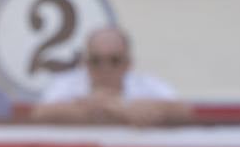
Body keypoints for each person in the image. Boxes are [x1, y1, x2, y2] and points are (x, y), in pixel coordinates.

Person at [32, 26, 191, 126]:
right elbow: (40, 113)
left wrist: (109, 106)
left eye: (114, 60)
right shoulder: (68, 83)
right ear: (85, 63)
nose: (105, 68)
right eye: (96, 60)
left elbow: (183, 111)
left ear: (128, 63)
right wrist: (114, 107)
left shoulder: (144, 83)